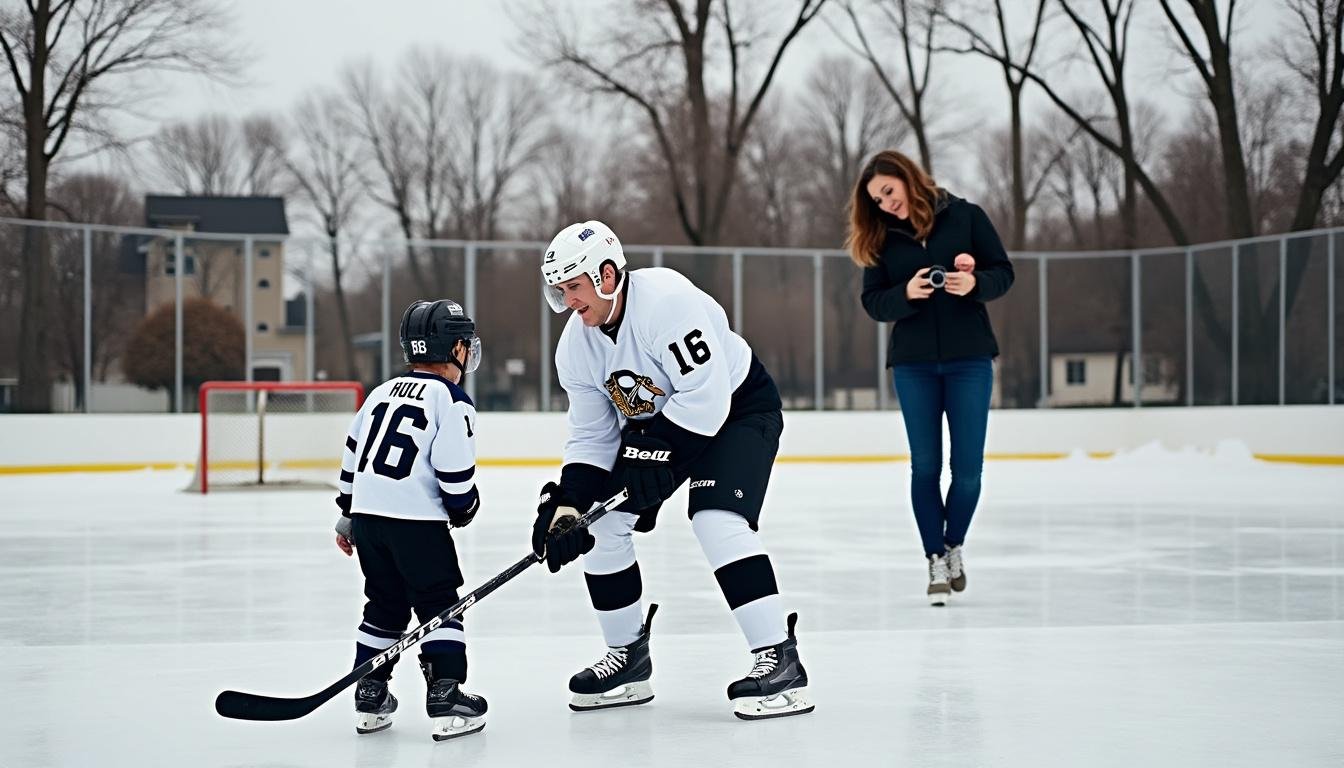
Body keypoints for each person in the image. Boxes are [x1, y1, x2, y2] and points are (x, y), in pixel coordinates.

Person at [529, 220, 813, 721]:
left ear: (607, 275)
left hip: (738, 410)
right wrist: (569, 503)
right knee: (600, 523)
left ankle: (779, 658)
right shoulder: (575, 347)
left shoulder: (665, 302)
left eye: (574, 287)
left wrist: (652, 456)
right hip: (662, 428)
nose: (568, 301)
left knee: (715, 517)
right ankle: (628, 658)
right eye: (561, 291)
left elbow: (707, 398)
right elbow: (593, 436)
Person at [846, 149, 1015, 606]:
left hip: (970, 359)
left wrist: (974, 282)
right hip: (913, 364)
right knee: (925, 467)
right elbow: (873, 302)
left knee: (968, 470)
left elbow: (1003, 273)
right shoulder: (881, 237)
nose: (886, 204)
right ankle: (935, 558)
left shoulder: (966, 216)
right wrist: (906, 292)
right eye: (877, 200)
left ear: (906, 178)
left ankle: (953, 544)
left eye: (888, 191)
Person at [331, 299, 489, 740]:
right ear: (454, 349)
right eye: (464, 344)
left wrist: (347, 515)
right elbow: (454, 471)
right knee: (439, 603)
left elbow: (352, 457)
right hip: (417, 524)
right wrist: (463, 506)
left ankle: (370, 692)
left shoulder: (380, 393)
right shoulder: (451, 399)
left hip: (369, 522)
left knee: (384, 604)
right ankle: (446, 692)